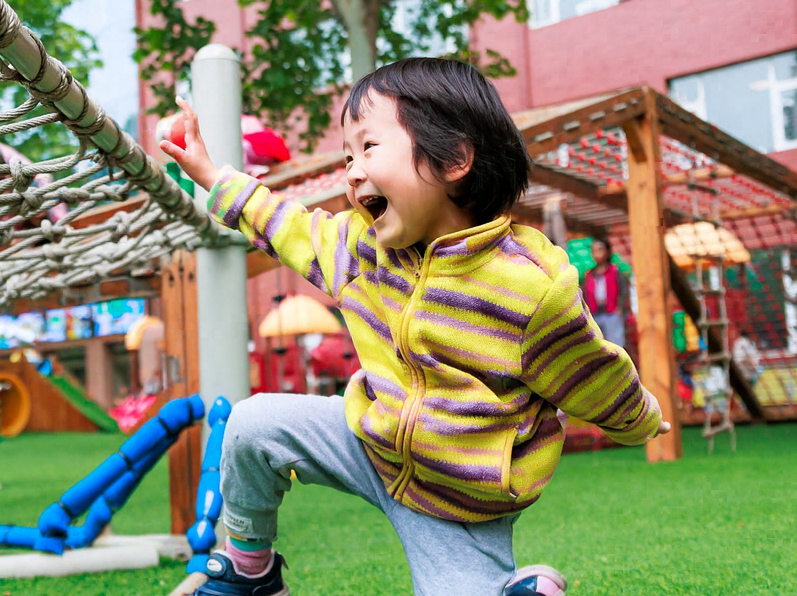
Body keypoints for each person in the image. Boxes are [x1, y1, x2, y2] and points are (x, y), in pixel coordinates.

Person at [161, 58, 670, 596]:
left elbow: (589, 371)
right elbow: (289, 227)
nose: (353, 171)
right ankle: (250, 569)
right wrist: (214, 176)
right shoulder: (363, 251)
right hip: (369, 439)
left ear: (453, 158)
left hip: (458, 496)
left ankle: (516, 587)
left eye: (369, 148)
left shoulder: (528, 287)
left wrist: (639, 419)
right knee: (253, 423)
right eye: (348, 155)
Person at [583, 237, 627, 347]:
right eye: (593, 251)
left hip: (612, 313)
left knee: (615, 345)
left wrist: (620, 307)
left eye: (600, 250)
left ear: (608, 252)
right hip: (595, 314)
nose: (596, 254)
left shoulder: (615, 272)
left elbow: (623, 291)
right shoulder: (589, 274)